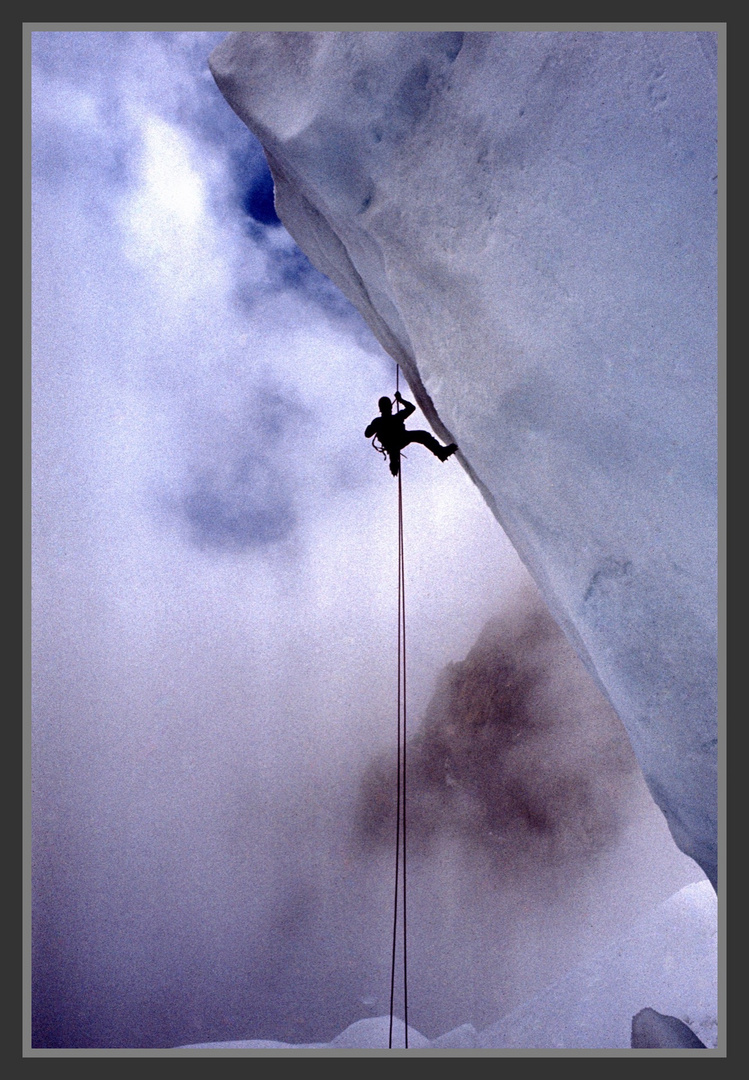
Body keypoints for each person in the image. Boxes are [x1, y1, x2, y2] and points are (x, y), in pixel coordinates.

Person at [365, 391, 457, 477]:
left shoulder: (378, 421)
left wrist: (373, 427)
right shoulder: (396, 417)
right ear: (390, 407)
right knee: (422, 435)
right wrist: (400, 400)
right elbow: (411, 408)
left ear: (380, 408)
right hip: (400, 440)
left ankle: (394, 463)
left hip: (393, 445)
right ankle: (441, 453)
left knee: (395, 449)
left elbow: (367, 434)